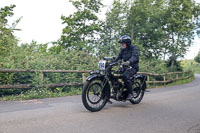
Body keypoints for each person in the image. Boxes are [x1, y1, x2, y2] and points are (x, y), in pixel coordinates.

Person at [115, 35, 139, 100]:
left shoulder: (134, 48)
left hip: (133, 67)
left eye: (123, 43)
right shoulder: (122, 50)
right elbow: (119, 57)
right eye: (121, 43)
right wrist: (113, 62)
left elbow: (135, 57)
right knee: (114, 74)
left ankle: (130, 93)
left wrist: (129, 62)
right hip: (125, 67)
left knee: (125, 76)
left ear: (127, 43)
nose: (122, 45)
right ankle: (118, 89)